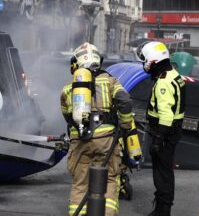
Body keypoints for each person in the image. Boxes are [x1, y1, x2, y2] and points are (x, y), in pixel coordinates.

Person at [61, 43, 133, 216]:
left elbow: (67, 116)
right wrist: (124, 125)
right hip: (106, 141)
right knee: (108, 181)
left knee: (80, 184)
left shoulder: (68, 89)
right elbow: (125, 101)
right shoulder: (110, 81)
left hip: (80, 142)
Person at [135, 41, 185, 216]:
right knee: (165, 171)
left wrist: (158, 139)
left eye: (144, 59)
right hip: (172, 130)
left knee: (162, 173)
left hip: (164, 131)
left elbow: (166, 115)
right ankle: (163, 207)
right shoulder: (173, 74)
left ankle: (162, 210)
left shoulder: (163, 82)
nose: (143, 64)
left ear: (153, 60)